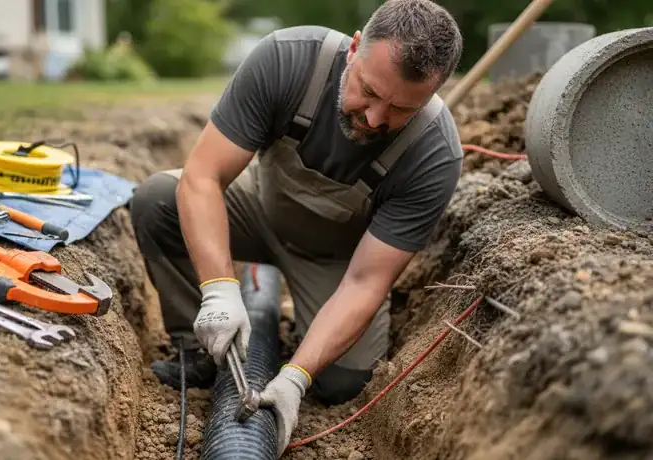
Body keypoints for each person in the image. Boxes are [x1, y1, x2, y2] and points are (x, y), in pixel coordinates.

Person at [129, 0, 464, 455]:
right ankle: (198, 350)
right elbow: (203, 177)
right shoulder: (288, 61)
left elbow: (366, 283)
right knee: (156, 200)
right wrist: (220, 289)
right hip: (255, 209)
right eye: (368, 91)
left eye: (400, 109)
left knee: (343, 381)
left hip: (332, 260)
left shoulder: (433, 154)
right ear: (355, 48)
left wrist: (295, 378)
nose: (373, 118)